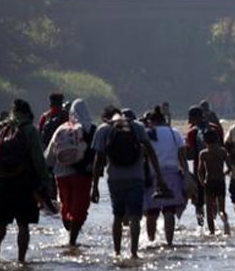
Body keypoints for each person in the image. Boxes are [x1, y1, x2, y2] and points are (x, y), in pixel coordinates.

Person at [91, 106, 169, 259]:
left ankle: (117, 252)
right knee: (135, 217)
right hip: (136, 177)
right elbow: (151, 152)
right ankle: (134, 252)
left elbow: (98, 159)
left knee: (118, 217)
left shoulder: (103, 130)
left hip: (114, 179)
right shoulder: (137, 127)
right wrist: (159, 177)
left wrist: (94, 186)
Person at [0, 99, 49, 262]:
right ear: (27, 113)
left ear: (12, 111)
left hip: (1, 183)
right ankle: (21, 260)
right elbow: (38, 159)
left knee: (1, 223)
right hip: (25, 184)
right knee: (23, 225)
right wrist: (46, 180)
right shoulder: (31, 130)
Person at [44, 99, 96, 247]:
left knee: (65, 203)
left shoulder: (62, 128)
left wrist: (47, 170)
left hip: (61, 174)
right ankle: (72, 240)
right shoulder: (92, 129)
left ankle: (68, 227)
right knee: (80, 207)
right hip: (82, 174)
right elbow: (98, 153)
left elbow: (50, 155)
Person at [144, 106, 187, 245]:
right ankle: (169, 242)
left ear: (152, 121)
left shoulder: (148, 133)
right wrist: (186, 174)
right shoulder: (174, 133)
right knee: (169, 210)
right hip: (172, 173)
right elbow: (182, 156)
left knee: (152, 211)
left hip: (152, 174)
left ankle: (151, 241)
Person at [197, 127, 231, 236]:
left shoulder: (203, 153)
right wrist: (224, 174)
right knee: (221, 209)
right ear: (217, 139)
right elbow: (230, 167)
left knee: (209, 210)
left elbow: (199, 171)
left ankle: (211, 232)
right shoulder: (222, 151)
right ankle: (225, 223)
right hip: (220, 181)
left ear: (205, 141)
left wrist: (203, 182)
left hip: (209, 182)